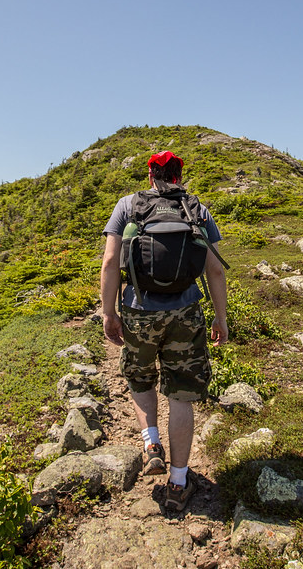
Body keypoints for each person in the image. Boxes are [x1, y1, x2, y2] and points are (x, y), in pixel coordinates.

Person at [100, 150, 229, 513]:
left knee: (140, 377)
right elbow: (215, 271)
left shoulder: (128, 206)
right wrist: (221, 318)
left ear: (151, 176)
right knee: (181, 395)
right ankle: (177, 480)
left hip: (139, 310)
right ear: (179, 175)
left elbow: (110, 262)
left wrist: (108, 313)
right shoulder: (196, 209)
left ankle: (151, 442)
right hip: (186, 311)